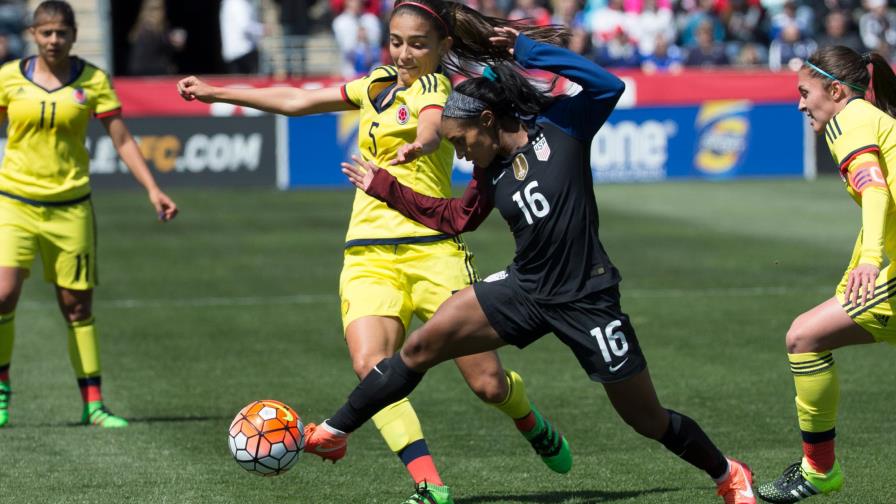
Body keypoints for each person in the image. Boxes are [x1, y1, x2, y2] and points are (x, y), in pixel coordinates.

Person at [309, 26, 758, 504]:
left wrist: (525, 49)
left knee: (646, 419)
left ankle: (728, 472)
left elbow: (608, 85)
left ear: (487, 119)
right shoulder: (490, 169)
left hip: (587, 298)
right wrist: (387, 189)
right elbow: (456, 219)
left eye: (461, 142)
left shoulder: (563, 126)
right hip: (525, 288)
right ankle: (335, 431)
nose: (460, 154)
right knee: (421, 346)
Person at [177, 2, 571, 502]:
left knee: (488, 384)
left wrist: (421, 145)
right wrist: (216, 91)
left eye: (418, 44)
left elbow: (431, 125)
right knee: (372, 367)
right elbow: (298, 100)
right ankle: (430, 485)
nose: (404, 54)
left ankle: (529, 420)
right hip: (367, 254)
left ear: (444, 47)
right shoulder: (374, 84)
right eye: (397, 42)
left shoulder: (439, 90)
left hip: (433, 251)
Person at [0, 1, 178, 429]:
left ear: (74, 35)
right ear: (33, 34)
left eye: (61, 33)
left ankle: (93, 405)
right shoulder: (8, 77)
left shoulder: (93, 80)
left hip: (70, 208)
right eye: (46, 32)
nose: (53, 40)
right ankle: (1, 397)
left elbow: (122, 139)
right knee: (2, 295)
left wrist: (152, 188)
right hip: (14, 202)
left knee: (76, 308)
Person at [755, 46, 896, 503]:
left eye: (805, 93)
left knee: (804, 337)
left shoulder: (849, 120)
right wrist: (862, 262)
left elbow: (876, 190)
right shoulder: (870, 118)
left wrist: (870, 260)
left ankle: (818, 471)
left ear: (835, 91)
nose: (800, 104)